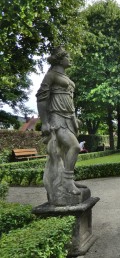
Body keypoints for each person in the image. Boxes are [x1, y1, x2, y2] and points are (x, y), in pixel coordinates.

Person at [36, 46, 81, 197]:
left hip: (69, 118)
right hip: (57, 119)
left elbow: (70, 101)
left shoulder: (66, 78)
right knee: (74, 147)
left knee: (63, 153)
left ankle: (65, 180)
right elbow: (41, 98)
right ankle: (67, 181)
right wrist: (44, 122)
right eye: (67, 56)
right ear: (60, 59)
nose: (70, 59)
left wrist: (74, 118)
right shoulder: (51, 75)